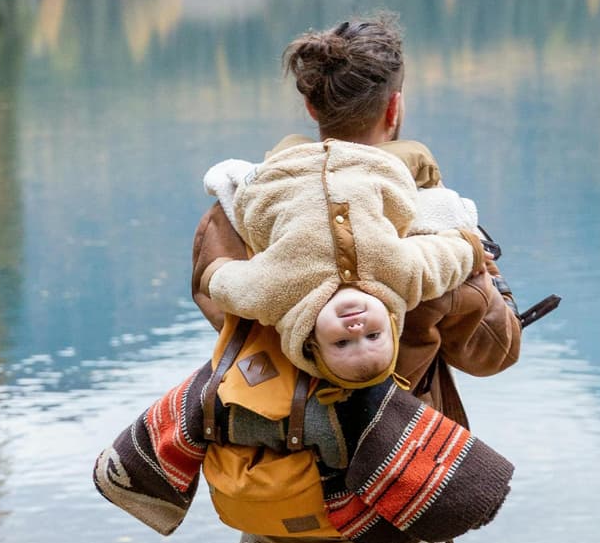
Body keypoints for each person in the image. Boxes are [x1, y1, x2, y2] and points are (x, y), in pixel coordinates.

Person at [191, 14, 522, 543]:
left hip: (270, 522)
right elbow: (493, 353)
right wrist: (482, 272)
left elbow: (216, 297)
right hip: (386, 528)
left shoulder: (243, 208)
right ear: (394, 108)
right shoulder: (426, 219)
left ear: (311, 107)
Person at [198, 139, 486, 388]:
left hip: (283, 173)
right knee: (418, 155)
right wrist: (472, 249)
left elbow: (230, 285)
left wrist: (213, 273)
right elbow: (442, 259)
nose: (357, 329)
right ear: (391, 322)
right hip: (370, 166)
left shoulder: (276, 294)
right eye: (374, 335)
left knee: (286, 146)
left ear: (311, 340)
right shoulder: (404, 277)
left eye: (342, 343)